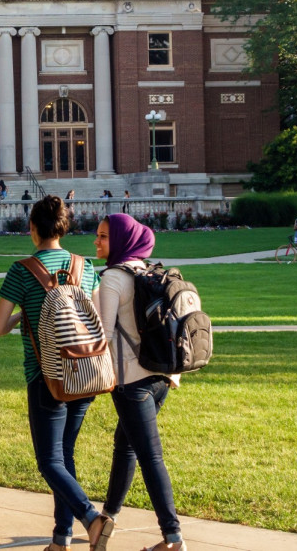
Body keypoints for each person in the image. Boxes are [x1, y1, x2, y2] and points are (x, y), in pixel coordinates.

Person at [0, 196, 113, 551]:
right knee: (65, 455)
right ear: (63, 227)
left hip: (46, 377)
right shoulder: (84, 264)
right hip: (86, 370)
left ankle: (92, 519)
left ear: (32, 229)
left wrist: (22, 317)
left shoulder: (21, 270)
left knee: (49, 461)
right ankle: (61, 538)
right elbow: (97, 317)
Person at [94, 213, 186, 551]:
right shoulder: (148, 271)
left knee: (150, 457)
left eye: (103, 237)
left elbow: (101, 336)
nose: (97, 242)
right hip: (162, 377)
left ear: (118, 240)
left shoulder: (114, 279)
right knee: (126, 445)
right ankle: (108, 517)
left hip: (132, 383)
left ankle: (173, 538)